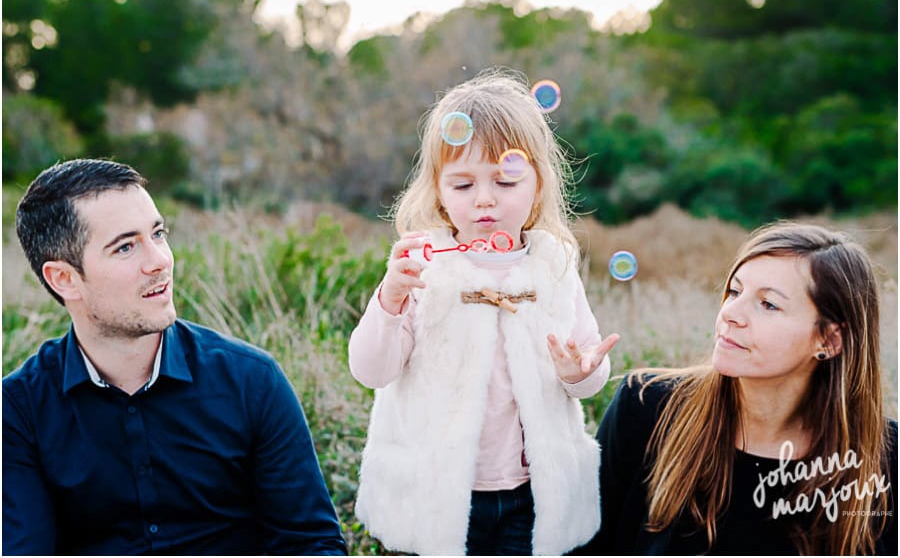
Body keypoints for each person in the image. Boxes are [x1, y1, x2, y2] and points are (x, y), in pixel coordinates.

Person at [3, 159, 347, 555]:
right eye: (126, 247)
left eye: (158, 233)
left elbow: (311, 543)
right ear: (64, 279)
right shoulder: (17, 412)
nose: (161, 261)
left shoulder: (252, 381)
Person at [348, 68, 620, 556]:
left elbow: (587, 370)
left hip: (532, 495)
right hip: (441, 495)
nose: (485, 199)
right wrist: (389, 301)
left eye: (505, 179)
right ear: (438, 191)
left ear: (538, 183)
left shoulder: (553, 266)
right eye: (463, 184)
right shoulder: (423, 267)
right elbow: (371, 370)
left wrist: (581, 372)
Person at [577, 222, 897, 555]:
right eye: (734, 291)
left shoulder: (887, 461)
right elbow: (580, 545)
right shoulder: (646, 407)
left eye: (768, 304)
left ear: (829, 340)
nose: (730, 313)